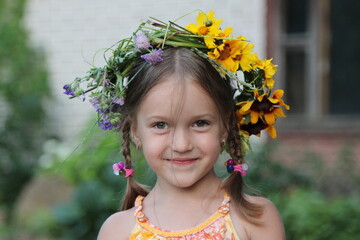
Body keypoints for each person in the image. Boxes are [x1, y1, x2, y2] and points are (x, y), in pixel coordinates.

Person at [64, 10, 288, 240]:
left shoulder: (254, 219)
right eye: (161, 125)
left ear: (225, 127)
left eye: (200, 123)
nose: (181, 144)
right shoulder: (117, 231)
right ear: (135, 132)